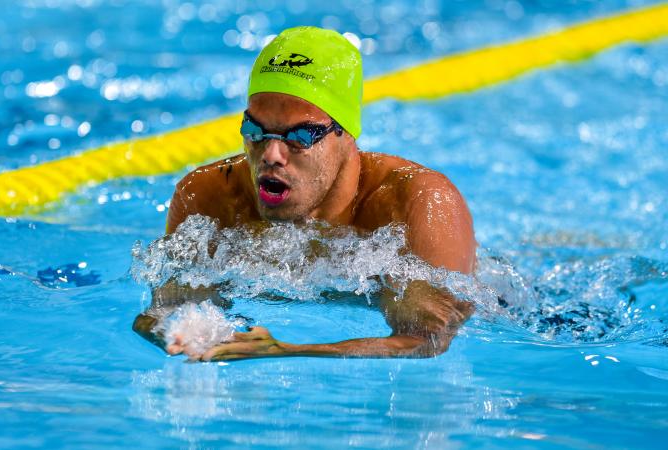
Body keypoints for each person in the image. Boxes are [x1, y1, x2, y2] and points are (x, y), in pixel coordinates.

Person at [133, 26, 476, 361]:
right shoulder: (209, 199)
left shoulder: (418, 202)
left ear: (346, 134)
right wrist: (176, 332)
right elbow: (165, 309)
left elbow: (427, 339)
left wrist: (290, 351)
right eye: (255, 130)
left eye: (299, 136)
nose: (270, 155)